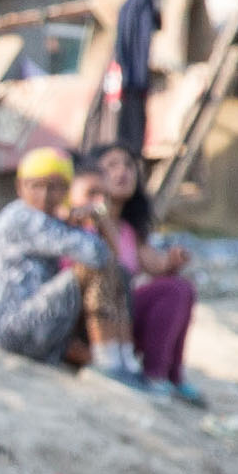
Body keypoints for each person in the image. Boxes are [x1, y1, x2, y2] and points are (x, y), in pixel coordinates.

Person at [0, 148, 145, 387]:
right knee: (91, 269)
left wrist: (93, 219)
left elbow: (115, 260)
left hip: (30, 324)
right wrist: (97, 217)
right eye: (37, 186)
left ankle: (124, 360)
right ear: (20, 186)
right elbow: (98, 255)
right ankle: (109, 362)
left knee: (119, 274)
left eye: (55, 187)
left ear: (66, 190)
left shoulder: (49, 220)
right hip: (6, 331)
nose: (45, 195)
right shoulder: (22, 217)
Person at [80, 143, 199, 400]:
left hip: (121, 317)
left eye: (128, 165)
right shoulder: (86, 218)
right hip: (94, 320)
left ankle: (172, 375)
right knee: (174, 289)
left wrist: (172, 261)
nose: (123, 171)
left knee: (182, 287)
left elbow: (157, 264)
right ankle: (154, 374)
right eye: (112, 165)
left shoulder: (129, 231)